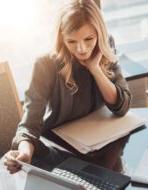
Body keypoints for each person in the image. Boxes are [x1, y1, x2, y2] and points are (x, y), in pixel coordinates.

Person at [3, 0, 131, 174]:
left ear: (99, 34)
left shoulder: (106, 44)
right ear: (62, 37)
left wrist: (95, 69)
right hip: (59, 153)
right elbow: (29, 124)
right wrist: (25, 154)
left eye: (89, 39)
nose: (82, 49)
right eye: (71, 41)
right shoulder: (45, 64)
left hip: (102, 147)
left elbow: (122, 106)